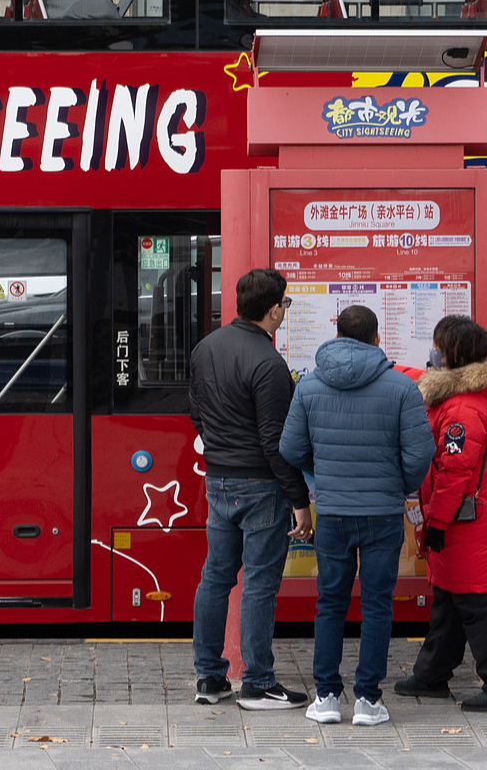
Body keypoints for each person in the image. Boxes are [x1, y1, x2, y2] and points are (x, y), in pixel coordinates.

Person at [279, 304, 432, 727]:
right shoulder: (402, 389)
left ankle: (326, 696)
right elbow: (420, 454)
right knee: (378, 605)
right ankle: (368, 701)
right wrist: (398, 484)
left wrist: (322, 472)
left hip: (331, 513)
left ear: (337, 334)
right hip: (383, 512)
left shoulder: (309, 388)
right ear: (377, 339)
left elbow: (290, 449)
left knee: (330, 604)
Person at [189, 269, 312, 711]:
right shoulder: (268, 363)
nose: (285, 311)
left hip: (217, 480)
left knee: (215, 577)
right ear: (274, 308)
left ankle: (209, 677)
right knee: (259, 583)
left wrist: (220, 451)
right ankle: (257, 683)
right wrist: (299, 500)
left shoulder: (206, 348)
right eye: (285, 304)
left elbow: (196, 414)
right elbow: (274, 441)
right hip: (260, 485)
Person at [393, 317, 487, 712]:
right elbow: (415, 375)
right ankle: (432, 675)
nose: (431, 353)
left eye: (436, 346)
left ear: (451, 353)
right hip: (468, 519)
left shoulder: (464, 408)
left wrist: (436, 521)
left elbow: (454, 474)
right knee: (449, 601)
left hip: (468, 521)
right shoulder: (464, 393)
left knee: (481, 604)